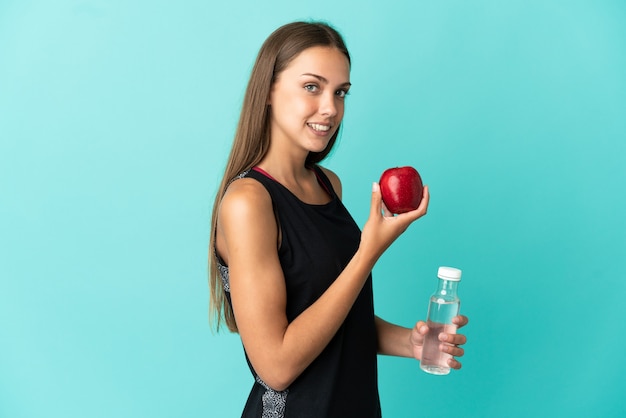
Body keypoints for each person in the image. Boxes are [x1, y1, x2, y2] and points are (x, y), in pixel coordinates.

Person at [208, 21, 468, 417]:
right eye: (312, 86)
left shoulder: (327, 184)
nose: (330, 108)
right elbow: (276, 367)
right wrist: (367, 253)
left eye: (340, 92)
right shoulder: (248, 201)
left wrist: (411, 343)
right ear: (269, 91)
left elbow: (330, 313)